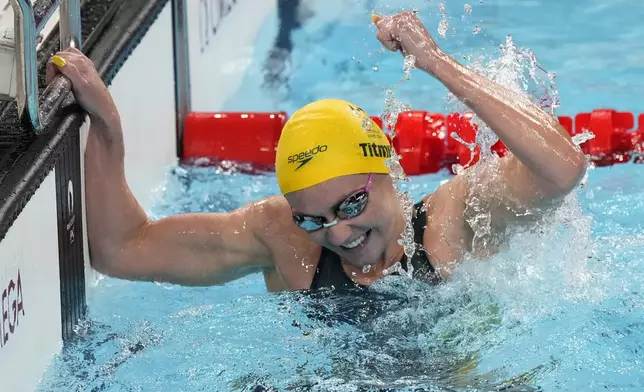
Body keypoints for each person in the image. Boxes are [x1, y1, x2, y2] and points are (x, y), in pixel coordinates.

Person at [46, 11, 586, 292]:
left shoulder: (454, 222)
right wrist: (108, 129)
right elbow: (122, 251)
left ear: (389, 172)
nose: (339, 236)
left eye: (351, 205)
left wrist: (436, 62)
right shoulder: (283, 240)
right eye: (314, 218)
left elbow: (562, 168)